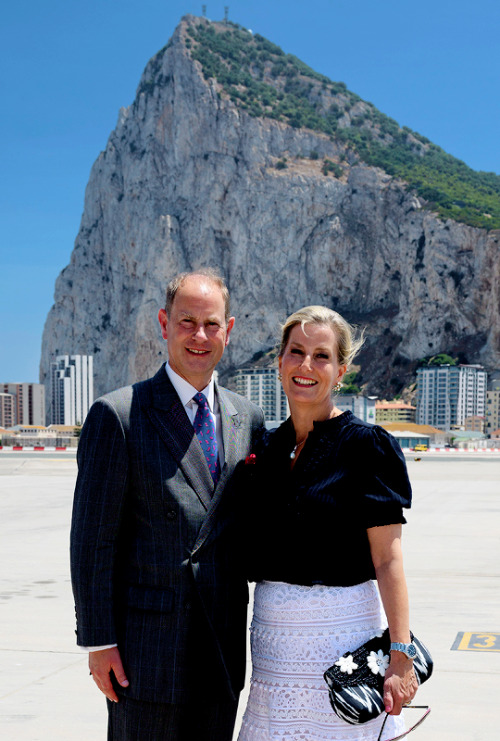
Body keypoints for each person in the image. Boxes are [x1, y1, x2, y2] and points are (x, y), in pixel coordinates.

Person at [70, 269, 264, 741]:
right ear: (163, 323)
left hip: (220, 651)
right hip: (146, 656)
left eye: (211, 323)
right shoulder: (119, 415)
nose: (200, 336)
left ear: (229, 330)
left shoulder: (247, 418)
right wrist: (100, 641)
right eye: (186, 321)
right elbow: (92, 542)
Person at [238, 305, 418, 741]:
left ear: (340, 371)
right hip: (272, 649)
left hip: (343, 642)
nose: (306, 366)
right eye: (296, 352)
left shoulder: (367, 446)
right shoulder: (264, 448)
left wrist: (400, 653)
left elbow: (388, 561)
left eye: (322, 356)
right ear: (279, 362)